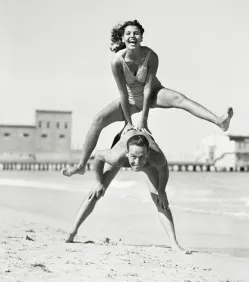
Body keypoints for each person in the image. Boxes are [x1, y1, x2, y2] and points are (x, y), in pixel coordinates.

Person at [61, 19, 233, 177]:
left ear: (142, 37)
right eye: (128, 33)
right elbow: (122, 93)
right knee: (98, 119)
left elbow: (149, 88)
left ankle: (219, 121)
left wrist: (143, 120)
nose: (132, 36)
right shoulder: (117, 62)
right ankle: (82, 165)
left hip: (153, 94)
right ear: (123, 38)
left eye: (136, 33)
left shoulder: (151, 56)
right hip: (129, 99)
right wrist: (128, 123)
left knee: (179, 99)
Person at [65, 129, 191, 254]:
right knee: (96, 192)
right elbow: (98, 156)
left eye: (141, 157)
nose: (137, 163)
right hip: (123, 139)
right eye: (133, 157)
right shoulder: (117, 157)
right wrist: (98, 182)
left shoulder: (156, 157)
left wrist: (162, 190)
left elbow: (163, 168)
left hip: (145, 151)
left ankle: (174, 244)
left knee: (160, 200)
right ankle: (73, 230)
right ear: (126, 153)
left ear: (147, 154)